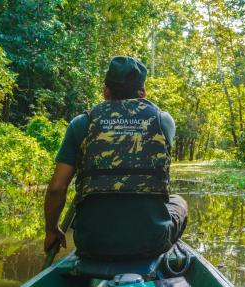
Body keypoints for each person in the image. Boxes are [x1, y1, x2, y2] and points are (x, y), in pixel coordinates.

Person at [44, 56, 187, 259]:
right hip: (151, 240)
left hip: (90, 242)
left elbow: (57, 188)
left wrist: (51, 230)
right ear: (143, 92)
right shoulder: (163, 121)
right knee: (178, 202)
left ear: (106, 90)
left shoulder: (82, 123)